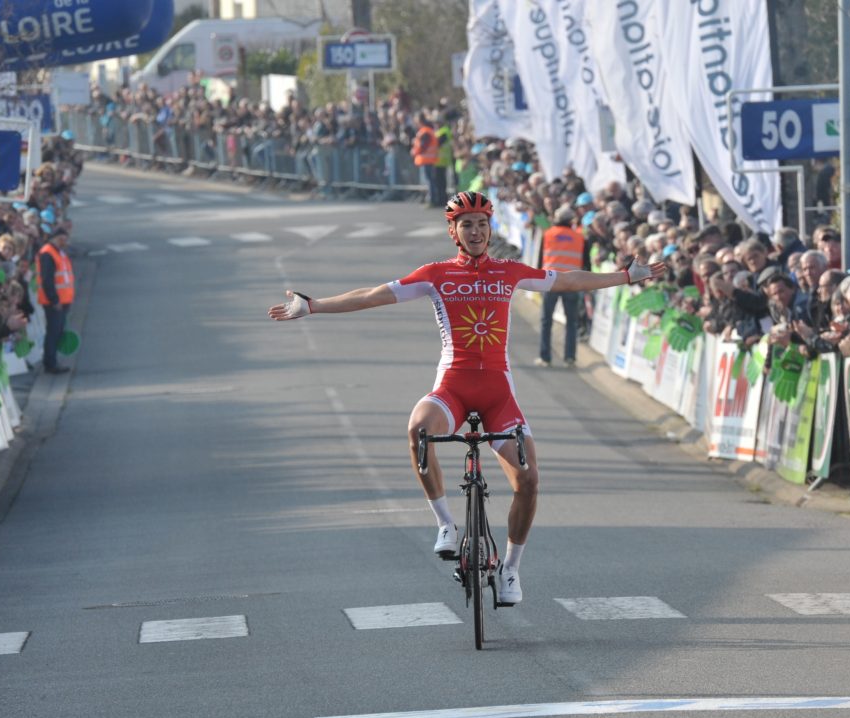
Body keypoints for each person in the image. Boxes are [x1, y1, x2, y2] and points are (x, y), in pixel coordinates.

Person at [268, 191, 664, 604]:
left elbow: (566, 279)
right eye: (466, 224)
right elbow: (372, 295)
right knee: (418, 430)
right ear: (454, 232)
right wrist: (313, 306)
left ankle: (510, 570)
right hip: (453, 390)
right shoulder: (436, 274)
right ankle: (444, 524)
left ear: (490, 228)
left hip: (498, 395)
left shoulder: (509, 271)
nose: (475, 231)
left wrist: (625, 276)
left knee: (528, 480)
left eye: (481, 223)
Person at [535, 207, 590, 366]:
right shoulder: (580, 238)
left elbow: (540, 260)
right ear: (571, 220)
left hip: (550, 281)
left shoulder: (548, 234)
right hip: (572, 283)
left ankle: (545, 357)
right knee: (571, 322)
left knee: (546, 320)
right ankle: (570, 357)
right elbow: (586, 264)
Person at [36, 226, 74, 374]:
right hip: (54, 302)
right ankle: (50, 363)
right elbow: (47, 280)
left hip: (62, 300)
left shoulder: (59, 252)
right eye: (62, 239)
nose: (64, 242)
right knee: (53, 332)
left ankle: (52, 361)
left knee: (56, 332)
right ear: (55, 238)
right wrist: (54, 300)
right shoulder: (48, 253)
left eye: (65, 240)